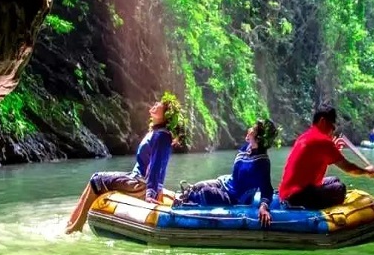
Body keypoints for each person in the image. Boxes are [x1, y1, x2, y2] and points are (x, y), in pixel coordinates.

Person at [64, 93, 185, 233]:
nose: (156, 104)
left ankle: (77, 226)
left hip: (141, 183)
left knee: (96, 180)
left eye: (160, 105)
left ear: (166, 115)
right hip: (136, 178)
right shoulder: (156, 133)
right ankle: (71, 221)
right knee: (95, 178)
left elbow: (156, 166)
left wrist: (151, 194)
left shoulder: (162, 136)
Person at [175, 119, 279, 227]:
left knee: (206, 192)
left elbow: (267, 189)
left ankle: (185, 201)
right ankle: (187, 196)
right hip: (225, 182)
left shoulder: (262, 162)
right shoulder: (246, 148)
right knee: (198, 186)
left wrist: (263, 207)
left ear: (258, 138)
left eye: (253, 129)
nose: (249, 129)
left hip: (235, 198)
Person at [278, 104, 374, 210]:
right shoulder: (323, 141)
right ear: (323, 121)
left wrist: (334, 149)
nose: (333, 130)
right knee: (339, 188)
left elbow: (315, 159)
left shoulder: (305, 136)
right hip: (297, 196)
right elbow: (349, 168)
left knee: (335, 180)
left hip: (287, 193)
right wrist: (367, 171)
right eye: (332, 126)